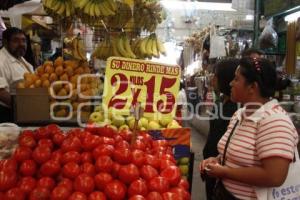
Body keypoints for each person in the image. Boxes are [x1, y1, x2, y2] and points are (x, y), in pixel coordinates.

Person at [199, 57, 299, 200]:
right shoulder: (239, 115)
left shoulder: (275, 121)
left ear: (252, 87)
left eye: (236, 79)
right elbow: (236, 155)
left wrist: (224, 172)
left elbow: (274, 176)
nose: (230, 83)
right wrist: (216, 160)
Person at [202, 58, 239, 200]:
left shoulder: (235, 110)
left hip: (221, 172)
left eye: (216, 76)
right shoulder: (221, 103)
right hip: (212, 167)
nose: (212, 80)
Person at [0, 27, 33, 122]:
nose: (21, 44)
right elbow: (1, 93)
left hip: (23, 111)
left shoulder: (21, 59)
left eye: (23, 41)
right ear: (6, 43)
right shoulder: (1, 60)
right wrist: (23, 106)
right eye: (16, 41)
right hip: (7, 114)